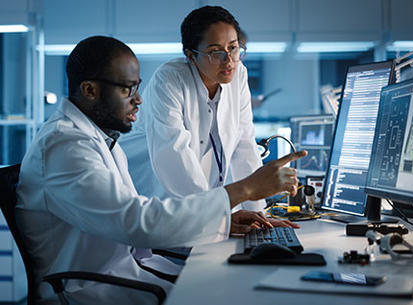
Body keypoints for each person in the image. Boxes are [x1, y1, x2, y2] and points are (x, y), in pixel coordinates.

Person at [15, 36, 306, 304]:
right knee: (235, 293)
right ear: (90, 90)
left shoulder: (99, 139)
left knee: (237, 281)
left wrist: (221, 219)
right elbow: (135, 222)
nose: (138, 99)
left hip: (127, 271)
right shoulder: (65, 147)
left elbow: (138, 216)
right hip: (87, 290)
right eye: (128, 89)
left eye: (137, 87)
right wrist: (246, 189)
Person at [120, 6, 273, 213]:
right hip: (154, 194)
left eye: (234, 48)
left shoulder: (239, 75)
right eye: (214, 52)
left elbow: (244, 145)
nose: (228, 60)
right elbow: (174, 155)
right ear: (191, 55)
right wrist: (215, 214)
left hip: (198, 201)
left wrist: (258, 213)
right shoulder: (169, 80)